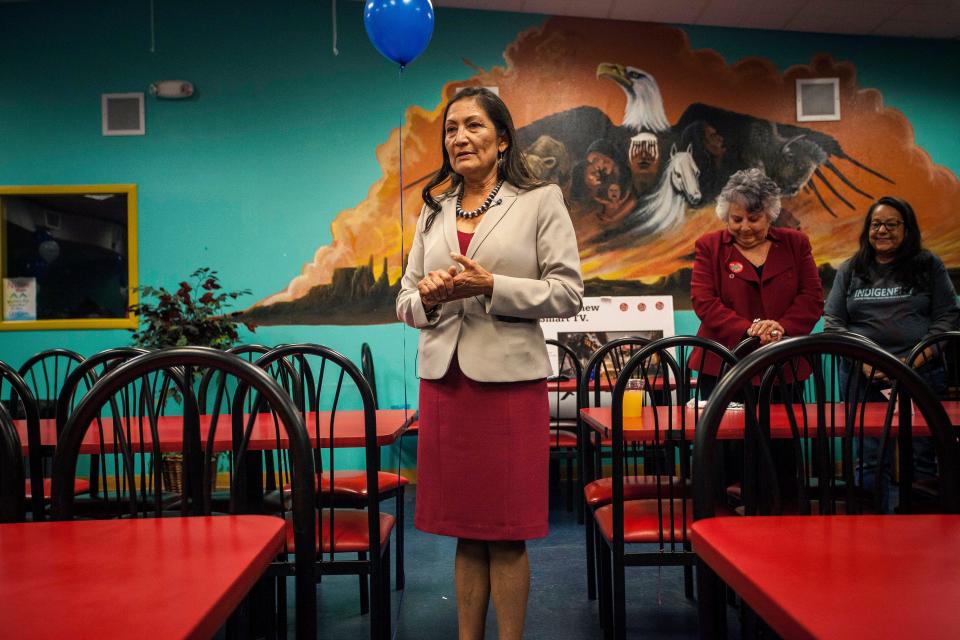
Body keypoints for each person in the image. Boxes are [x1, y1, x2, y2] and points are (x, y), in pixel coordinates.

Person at [396, 87, 583, 640]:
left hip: (507, 388)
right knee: (464, 530)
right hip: (446, 386)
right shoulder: (433, 210)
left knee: (505, 531)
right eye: (451, 129)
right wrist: (428, 297)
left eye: (473, 126)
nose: (459, 137)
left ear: (502, 139)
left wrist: (493, 286)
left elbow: (568, 293)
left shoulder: (540, 199)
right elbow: (405, 299)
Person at [824, 196, 959, 509]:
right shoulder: (851, 268)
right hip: (862, 374)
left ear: (906, 228)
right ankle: (873, 528)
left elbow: (948, 317)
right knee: (870, 456)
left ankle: (921, 532)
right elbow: (833, 323)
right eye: (875, 224)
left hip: (920, 373)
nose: (881, 230)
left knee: (923, 454)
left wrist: (908, 363)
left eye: (891, 224)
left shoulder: (928, 265)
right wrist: (866, 361)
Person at [688, 168, 824, 395]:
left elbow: (811, 297)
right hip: (723, 363)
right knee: (726, 431)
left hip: (783, 360)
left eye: (754, 219)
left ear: (770, 215)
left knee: (782, 430)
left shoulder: (796, 243)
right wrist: (750, 331)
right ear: (725, 216)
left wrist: (780, 329)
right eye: (736, 219)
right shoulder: (709, 246)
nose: (745, 227)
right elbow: (704, 301)